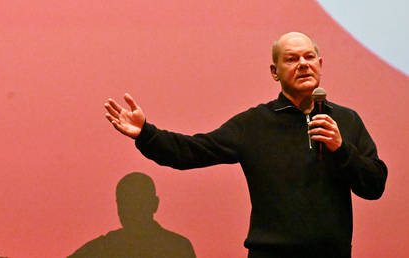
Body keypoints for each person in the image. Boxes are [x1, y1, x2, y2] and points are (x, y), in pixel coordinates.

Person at [104, 32, 387, 258]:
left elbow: (374, 185)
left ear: (321, 65)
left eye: (309, 57)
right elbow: (191, 151)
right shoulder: (254, 124)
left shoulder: (346, 121)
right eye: (292, 59)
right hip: (271, 254)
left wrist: (341, 148)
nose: (303, 64)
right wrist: (146, 133)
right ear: (275, 72)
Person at [68, 172, 195, 258]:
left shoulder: (177, 248)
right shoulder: (103, 248)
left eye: (137, 202)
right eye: (124, 203)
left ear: (154, 204)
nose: (129, 211)